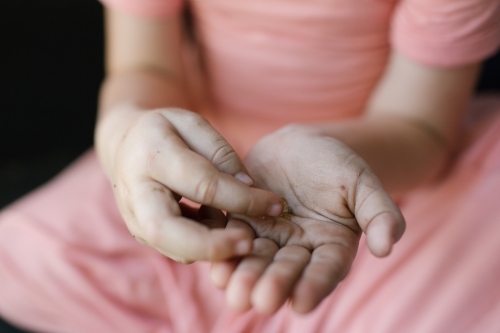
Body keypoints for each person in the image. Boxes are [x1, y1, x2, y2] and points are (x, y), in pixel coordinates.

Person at [1, 0, 500, 332]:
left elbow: (419, 129)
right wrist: (126, 135)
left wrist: (326, 148)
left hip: (375, 166)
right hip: (202, 160)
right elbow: (146, 70)